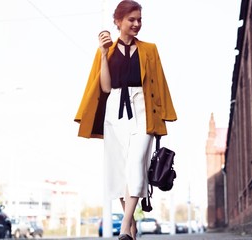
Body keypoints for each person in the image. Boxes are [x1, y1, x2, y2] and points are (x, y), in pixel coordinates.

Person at [74, 1, 177, 240]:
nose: (137, 24)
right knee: (120, 171)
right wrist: (102, 54)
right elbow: (106, 87)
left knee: (136, 165)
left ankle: (124, 228)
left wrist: (162, 119)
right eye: (131, 19)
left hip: (143, 109)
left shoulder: (150, 49)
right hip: (114, 111)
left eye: (139, 19)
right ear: (118, 21)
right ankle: (131, 227)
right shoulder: (107, 51)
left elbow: (159, 84)